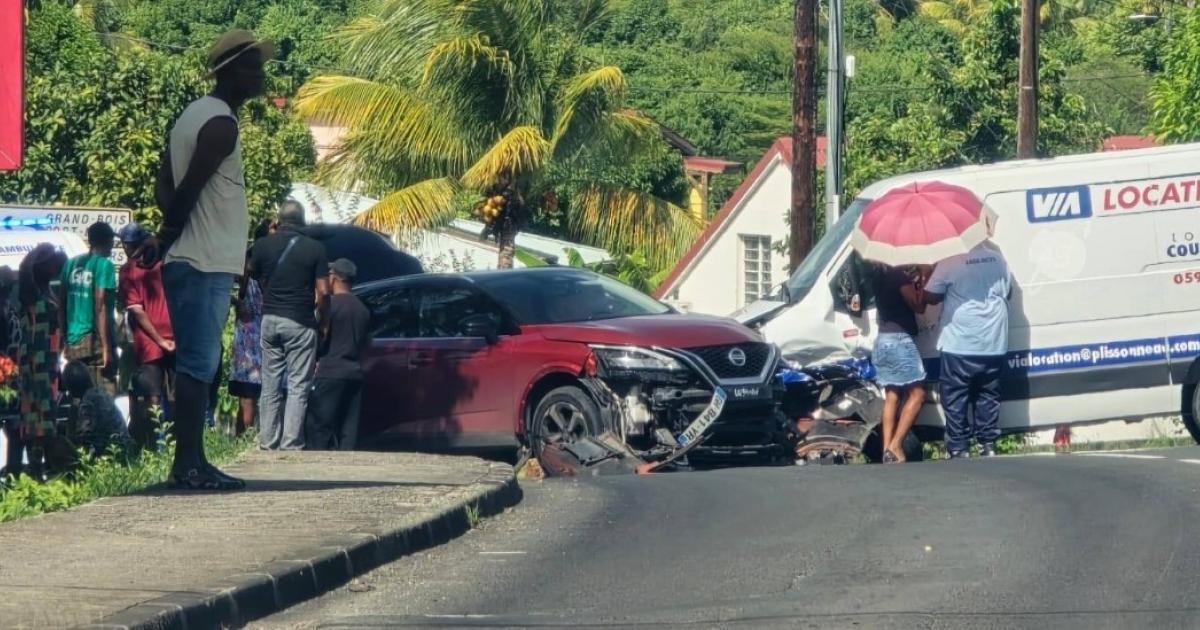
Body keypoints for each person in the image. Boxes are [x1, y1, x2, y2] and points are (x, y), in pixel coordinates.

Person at [137, 29, 274, 490]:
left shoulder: (191, 116)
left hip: (197, 258)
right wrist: (168, 236)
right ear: (231, 71)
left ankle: (195, 460)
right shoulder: (220, 124)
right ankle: (187, 466)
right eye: (253, 67)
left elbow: (165, 185)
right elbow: (189, 190)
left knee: (201, 365)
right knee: (198, 366)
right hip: (202, 262)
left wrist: (175, 232)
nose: (260, 76)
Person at [250, 200, 328, 450]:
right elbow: (323, 292)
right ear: (303, 221)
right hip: (300, 321)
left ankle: (267, 441)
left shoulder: (262, 245)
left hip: (270, 320)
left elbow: (251, 273)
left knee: (270, 383)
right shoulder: (315, 248)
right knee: (297, 385)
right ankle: (291, 443)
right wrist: (324, 322)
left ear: (279, 220)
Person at [923, 241, 1013, 459]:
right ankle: (987, 443)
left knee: (955, 395)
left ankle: (958, 446)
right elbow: (1008, 293)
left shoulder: (950, 261)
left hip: (960, 341)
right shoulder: (997, 259)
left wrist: (928, 273)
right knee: (988, 394)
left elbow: (930, 297)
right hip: (993, 340)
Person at [117, 222, 175, 451]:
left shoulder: (131, 270)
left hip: (152, 341)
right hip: (164, 339)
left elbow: (136, 310)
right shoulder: (165, 262)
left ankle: (160, 446)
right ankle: (167, 445)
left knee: (156, 396)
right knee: (162, 395)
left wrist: (160, 340)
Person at [13, 244, 67, 479]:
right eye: (53, 265)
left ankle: (40, 469)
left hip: (45, 363)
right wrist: (44, 250)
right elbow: (26, 267)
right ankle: (37, 469)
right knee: (39, 419)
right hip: (38, 365)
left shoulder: (45, 295)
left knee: (41, 418)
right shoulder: (33, 296)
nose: (57, 270)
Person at [305, 259, 371, 450]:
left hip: (330, 372)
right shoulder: (363, 309)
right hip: (354, 374)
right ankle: (346, 464)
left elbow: (318, 337)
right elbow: (366, 343)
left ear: (333, 278)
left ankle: (318, 465)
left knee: (319, 428)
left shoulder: (330, 306)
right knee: (348, 430)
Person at [871, 263, 928, 463]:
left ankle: (886, 450)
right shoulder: (898, 277)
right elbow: (919, 306)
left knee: (892, 396)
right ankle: (896, 445)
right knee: (918, 394)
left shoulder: (879, 277)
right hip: (899, 340)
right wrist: (924, 277)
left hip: (883, 339)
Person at [60, 222, 118, 397]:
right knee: (105, 393)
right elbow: (100, 304)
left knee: (79, 392)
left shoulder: (70, 264)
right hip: (95, 338)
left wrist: (65, 339)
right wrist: (107, 347)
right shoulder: (104, 265)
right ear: (107, 241)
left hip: (73, 339)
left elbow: (61, 304)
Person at [229, 220, 271, 435]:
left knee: (247, 397)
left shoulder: (246, 262)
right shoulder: (272, 265)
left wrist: (236, 302)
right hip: (264, 336)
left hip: (247, 339)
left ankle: (242, 439)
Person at [61, 360, 130, 459]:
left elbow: (82, 437)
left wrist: (73, 411)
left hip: (111, 454)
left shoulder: (88, 403)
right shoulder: (100, 393)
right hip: (123, 447)